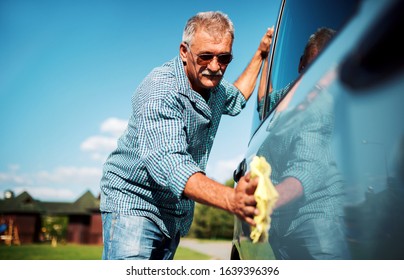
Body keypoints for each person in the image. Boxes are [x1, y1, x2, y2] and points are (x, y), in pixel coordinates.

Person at [99, 11, 274, 260]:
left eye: (223, 58)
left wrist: (261, 54)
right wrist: (231, 198)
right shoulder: (160, 89)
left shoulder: (214, 89)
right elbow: (171, 163)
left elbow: (237, 97)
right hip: (134, 203)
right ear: (184, 51)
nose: (215, 67)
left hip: (174, 214)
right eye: (205, 56)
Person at [257, 27, 351, 259]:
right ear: (301, 65)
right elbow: (264, 104)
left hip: (317, 222)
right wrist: (265, 57)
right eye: (311, 70)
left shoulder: (324, 109)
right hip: (284, 225)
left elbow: (305, 171)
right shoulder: (290, 93)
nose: (314, 82)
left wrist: (264, 200)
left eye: (324, 72)